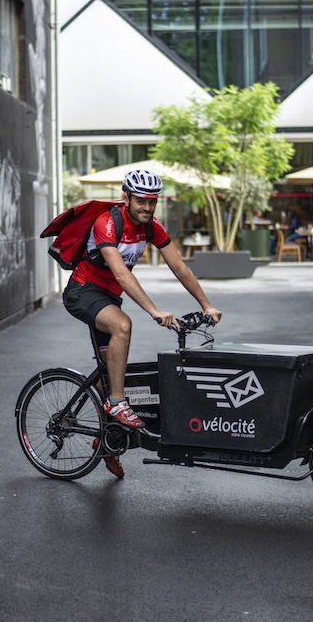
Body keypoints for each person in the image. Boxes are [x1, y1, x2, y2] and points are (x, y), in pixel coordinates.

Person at [63, 168, 222, 479]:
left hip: (108, 297)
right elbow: (122, 274)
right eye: (141, 201)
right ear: (126, 196)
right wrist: (154, 311)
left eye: (153, 202)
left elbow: (179, 266)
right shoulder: (107, 223)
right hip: (83, 292)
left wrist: (206, 304)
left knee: (111, 365)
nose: (147, 207)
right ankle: (118, 404)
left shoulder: (152, 227)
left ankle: (106, 441)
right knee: (122, 326)